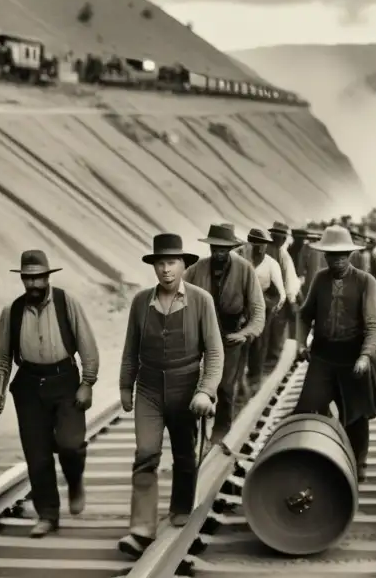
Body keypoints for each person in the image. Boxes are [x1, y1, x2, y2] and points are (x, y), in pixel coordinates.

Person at [117, 234, 223, 557]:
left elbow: (215, 354)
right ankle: (141, 529)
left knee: (184, 453)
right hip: (148, 388)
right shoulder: (140, 302)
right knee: (146, 453)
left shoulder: (202, 301)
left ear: (184, 266)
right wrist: (125, 386)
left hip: (186, 386)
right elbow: (130, 350)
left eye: (172, 263)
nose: (166, 270)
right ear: (154, 266)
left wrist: (205, 391)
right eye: (160, 263)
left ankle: (181, 507)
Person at [0, 250, 100, 538]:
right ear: (23, 279)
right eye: (28, 278)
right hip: (28, 383)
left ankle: (75, 480)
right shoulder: (11, 311)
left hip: (64, 380)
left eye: (39, 278)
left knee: (71, 444)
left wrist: (87, 383)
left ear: (47, 277)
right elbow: (2, 356)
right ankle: (48, 514)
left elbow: (87, 343)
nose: (34, 285)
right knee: (37, 456)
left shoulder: (66, 302)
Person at [294, 225, 376, 482]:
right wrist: (301, 344)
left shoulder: (365, 281)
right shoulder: (320, 280)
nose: (338, 260)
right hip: (323, 356)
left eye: (343, 255)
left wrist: (365, 356)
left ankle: (358, 463)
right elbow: (304, 314)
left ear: (351, 255)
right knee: (308, 409)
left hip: (353, 355)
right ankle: (313, 458)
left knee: (356, 414)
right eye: (332, 255)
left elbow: (375, 324)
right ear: (325, 256)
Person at [184, 223, 265, 441]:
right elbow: (178, 299)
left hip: (230, 337)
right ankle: (191, 432)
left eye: (223, 248)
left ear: (230, 248)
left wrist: (245, 333)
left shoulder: (244, 269)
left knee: (226, 387)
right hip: (200, 337)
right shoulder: (196, 269)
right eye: (215, 248)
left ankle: (222, 430)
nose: (218, 252)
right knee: (194, 385)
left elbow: (257, 307)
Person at [238, 227, 286, 395]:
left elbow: (281, 293)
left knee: (258, 343)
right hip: (241, 307)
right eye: (255, 243)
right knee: (240, 343)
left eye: (263, 244)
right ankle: (238, 381)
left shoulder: (271, 264)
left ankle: (254, 378)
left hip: (263, 308)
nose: (259, 247)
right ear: (249, 243)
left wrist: (269, 307)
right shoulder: (240, 259)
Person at [265, 221, 301, 366]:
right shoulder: (271, 252)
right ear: (273, 236)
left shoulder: (282, 253)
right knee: (273, 331)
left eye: (284, 237)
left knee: (276, 331)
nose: (282, 239)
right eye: (279, 236)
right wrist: (292, 300)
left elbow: (291, 278)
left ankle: (272, 359)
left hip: (279, 298)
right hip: (274, 297)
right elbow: (287, 280)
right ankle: (271, 361)